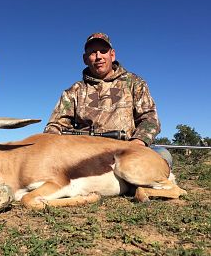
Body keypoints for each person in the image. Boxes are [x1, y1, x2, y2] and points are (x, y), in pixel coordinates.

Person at [44, 32, 172, 167]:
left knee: (162, 155)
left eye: (103, 51)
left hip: (127, 150)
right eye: (93, 53)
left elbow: (150, 119)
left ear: (112, 55)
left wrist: (137, 143)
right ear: (85, 59)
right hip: (84, 154)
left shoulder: (134, 83)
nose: (98, 56)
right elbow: (55, 126)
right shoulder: (73, 91)